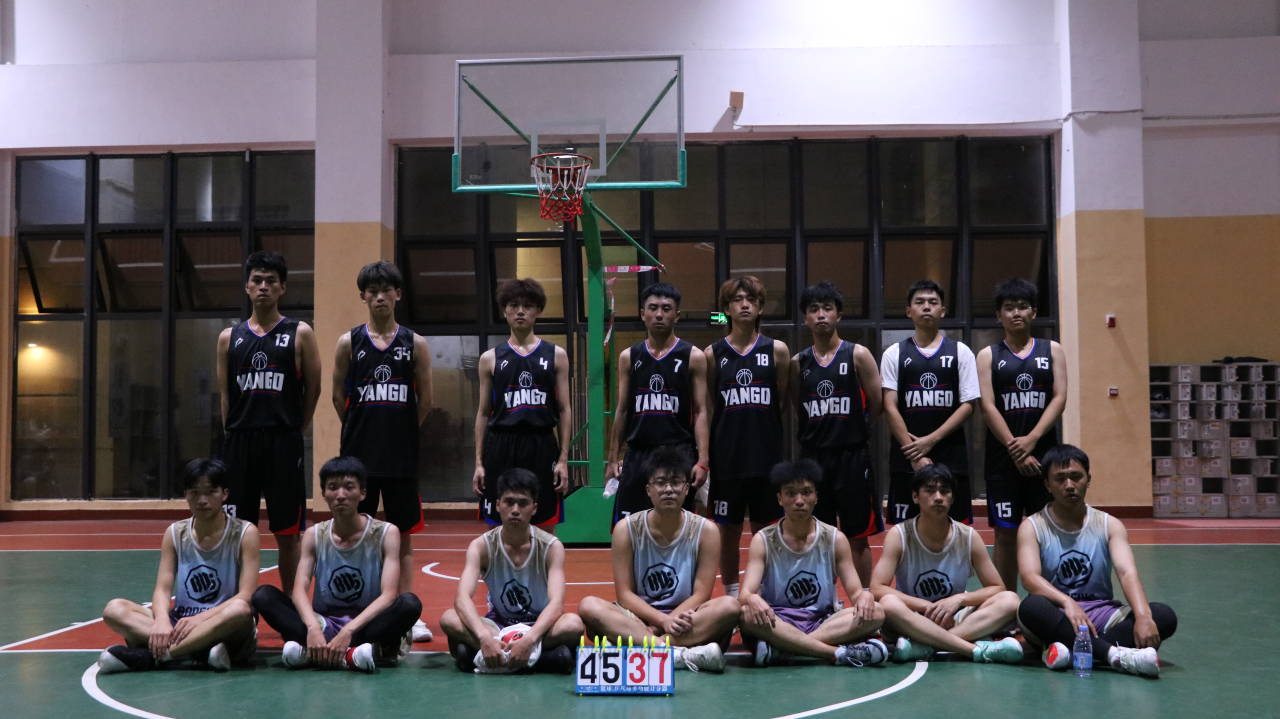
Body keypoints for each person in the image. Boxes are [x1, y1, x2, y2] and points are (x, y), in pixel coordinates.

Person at [332, 260, 434, 642]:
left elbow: (425, 401)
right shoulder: (348, 342)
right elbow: (337, 397)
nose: (379, 297)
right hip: (359, 459)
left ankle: (407, 613)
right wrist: (361, 430)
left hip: (400, 457)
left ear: (398, 295)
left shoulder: (414, 343)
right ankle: (363, 608)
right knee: (360, 535)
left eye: (385, 290)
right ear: (363, 296)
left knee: (402, 536)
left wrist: (400, 431)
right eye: (372, 291)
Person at [1016, 445, 1178, 677]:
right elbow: (1029, 578)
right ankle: (1113, 654)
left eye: (1076, 477)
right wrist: (1067, 603)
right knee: (1031, 607)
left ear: (1088, 479)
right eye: (1060, 479)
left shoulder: (1109, 524)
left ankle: (1072, 653)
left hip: (1102, 614)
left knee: (1162, 615)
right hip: (1057, 613)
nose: (1069, 485)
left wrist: (1143, 616)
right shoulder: (1032, 526)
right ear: (1047, 485)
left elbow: (1127, 573)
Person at [251, 457, 422, 672]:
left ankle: (313, 654)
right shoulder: (314, 534)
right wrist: (313, 627)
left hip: (366, 624)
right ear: (324, 493)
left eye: (349, 487)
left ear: (363, 493)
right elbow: (298, 590)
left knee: (409, 604)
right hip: (324, 623)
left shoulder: (386, 533)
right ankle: (352, 655)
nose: (340, 495)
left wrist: (348, 631)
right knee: (264, 596)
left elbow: (388, 595)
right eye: (333, 488)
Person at [578, 446, 738, 672]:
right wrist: (662, 622)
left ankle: (646, 647)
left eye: (676, 482)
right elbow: (624, 594)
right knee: (589, 606)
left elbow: (701, 594)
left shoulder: (706, 531)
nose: (669, 489)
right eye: (661, 483)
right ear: (648, 490)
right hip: (638, 618)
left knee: (730, 606)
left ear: (686, 489)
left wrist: (669, 621)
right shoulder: (626, 529)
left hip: (686, 617)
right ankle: (675, 653)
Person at [217, 250, 320, 595]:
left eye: (271, 281)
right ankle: (237, 606)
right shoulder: (229, 337)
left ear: (282, 288)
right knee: (236, 531)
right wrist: (232, 435)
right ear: (246, 286)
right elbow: (225, 396)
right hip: (240, 443)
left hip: (282, 442)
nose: (263, 286)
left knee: (288, 532)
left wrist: (297, 427)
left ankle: (292, 605)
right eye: (257, 280)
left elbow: (314, 388)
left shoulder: (300, 333)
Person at [98, 458, 260, 673]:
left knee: (240, 610)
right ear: (186, 495)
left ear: (225, 494)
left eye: (211, 492)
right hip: (180, 622)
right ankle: (199, 650)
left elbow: (246, 596)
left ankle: (160, 655)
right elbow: (162, 589)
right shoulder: (174, 533)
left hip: (221, 623)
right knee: (114, 609)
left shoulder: (245, 533)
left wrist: (200, 619)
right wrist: (161, 621)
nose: (202, 500)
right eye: (194, 492)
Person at [738, 459, 888, 668]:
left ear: (816, 497)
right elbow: (746, 593)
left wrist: (864, 596)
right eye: (791, 493)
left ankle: (785, 650)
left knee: (877, 611)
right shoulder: (763, 540)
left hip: (822, 621)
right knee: (745, 615)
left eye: (806, 492)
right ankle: (834, 652)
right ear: (780, 498)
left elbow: (855, 592)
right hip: (778, 621)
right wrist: (752, 598)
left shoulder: (834, 538)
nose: (799, 500)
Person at [869, 464, 1023, 664]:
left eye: (944, 491)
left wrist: (959, 599)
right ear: (915, 496)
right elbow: (877, 588)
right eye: (930, 490)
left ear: (952, 497)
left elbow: (997, 587)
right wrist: (928, 606)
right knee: (888, 604)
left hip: (953, 618)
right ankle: (972, 649)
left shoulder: (968, 536)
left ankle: (924, 647)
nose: (938, 497)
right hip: (912, 617)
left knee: (1010, 600)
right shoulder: (900, 535)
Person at [441, 468, 584, 673]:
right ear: (498, 505)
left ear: (534, 508)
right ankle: (543, 659)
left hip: (538, 626)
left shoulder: (551, 547)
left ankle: (483, 656)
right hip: (498, 626)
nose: (515, 510)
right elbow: (462, 598)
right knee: (449, 618)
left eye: (523, 503)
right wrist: (484, 636)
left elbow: (556, 604)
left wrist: (529, 639)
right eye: (509, 502)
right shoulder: (481, 546)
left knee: (573, 624)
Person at [976, 278, 1067, 591]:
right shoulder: (988, 355)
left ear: (1034, 312)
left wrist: (1032, 439)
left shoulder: (1052, 350)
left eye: (1022, 306)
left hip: (1044, 457)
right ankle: (1006, 603)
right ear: (998, 315)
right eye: (1009, 307)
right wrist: (1016, 449)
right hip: (1003, 460)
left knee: (1047, 530)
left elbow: (1059, 398)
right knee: (1005, 532)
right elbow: (987, 406)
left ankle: (1049, 601)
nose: (1016, 313)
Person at [703, 276, 790, 598]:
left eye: (750, 300)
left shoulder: (777, 351)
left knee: (766, 532)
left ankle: (765, 593)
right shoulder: (712, 354)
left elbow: (782, 401)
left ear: (760, 307)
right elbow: (709, 407)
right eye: (737, 300)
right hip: (728, 457)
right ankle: (730, 594)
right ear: (726, 309)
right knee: (728, 531)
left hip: (766, 456)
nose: (744, 305)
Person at [791, 282, 883, 584]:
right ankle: (825, 600)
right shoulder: (798, 363)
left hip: (851, 457)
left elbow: (877, 403)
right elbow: (798, 406)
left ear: (838, 315)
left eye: (827, 308)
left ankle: (865, 599)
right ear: (805, 318)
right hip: (814, 460)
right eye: (814, 309)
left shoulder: (858, 355)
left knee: (858, 536)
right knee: (818, 534)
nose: (821, 315)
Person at [473, 278, 572, 531]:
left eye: (527, 306)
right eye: (513, 305)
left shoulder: (556, 355)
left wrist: (563, 460)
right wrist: (478, 463)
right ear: (504, 310)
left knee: (544, 524)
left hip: (541, 444)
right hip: (501, 445)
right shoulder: (490, 358)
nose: (520, 311)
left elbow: (564, 410)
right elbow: (483, 413)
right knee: (497, 524)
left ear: (537, 311)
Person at [606, 282, 710, 523]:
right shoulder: (629, 356)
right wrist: (612, 457)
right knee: (629, 526)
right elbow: (622, 410)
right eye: (653, 308)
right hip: (638, 453)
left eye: (666, 308)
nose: (659, 314)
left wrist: (703, 460)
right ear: (643, 314)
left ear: (677, 315)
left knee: (677, 527)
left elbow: (701, 411)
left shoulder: (693, 356)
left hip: (678, 452)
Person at [881, 279, 979, 526]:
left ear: (942, 311)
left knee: (957, 531)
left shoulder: (961, 351)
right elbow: (889, 406)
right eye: (920, 302)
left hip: (951, 456)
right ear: (909, 311)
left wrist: (930, 440)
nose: (926, 307)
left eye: (933, 302)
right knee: (905, 532)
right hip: (906, 459)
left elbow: (969, 404)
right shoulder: (894, 353)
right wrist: (914, 453)